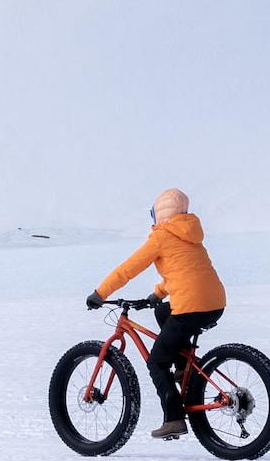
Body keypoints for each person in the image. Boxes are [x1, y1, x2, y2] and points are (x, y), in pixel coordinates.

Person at [87, 187, 229, 440]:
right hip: (214, 303)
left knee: (156, 362)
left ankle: (173, 418)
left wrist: (100, 293)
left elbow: (128, 269)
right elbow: (184, 273)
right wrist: (156, 296)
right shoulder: (190, 235)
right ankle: (184, 366)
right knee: (164, 311)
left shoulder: (162, 236)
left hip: (191, 307)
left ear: (160, 214)